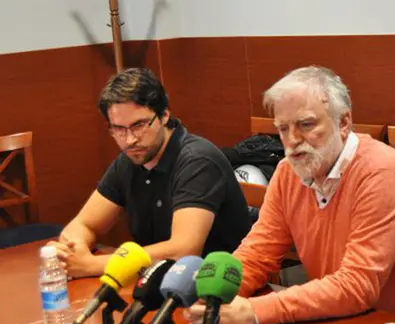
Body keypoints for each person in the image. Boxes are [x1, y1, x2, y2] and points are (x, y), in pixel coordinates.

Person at [185, 66, 395, 324]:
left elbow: (358, 285)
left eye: (306, 125)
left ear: (343, 122)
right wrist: (217, 296)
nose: (292, 140)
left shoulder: (381, 173)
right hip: (354, 322)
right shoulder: (287, 173)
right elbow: (258, 254)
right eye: (283, 129)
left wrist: (255, 312)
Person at [48, 68, 251, 278]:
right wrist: (73, 250)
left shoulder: (198, 161)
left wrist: (91, 265)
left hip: (219, 288)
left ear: (164, 115)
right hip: (159, 283)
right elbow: (83, 224)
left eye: (139, 125)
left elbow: (184, 251)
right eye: (118, 129)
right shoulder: (130, 159)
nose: (130, 140)